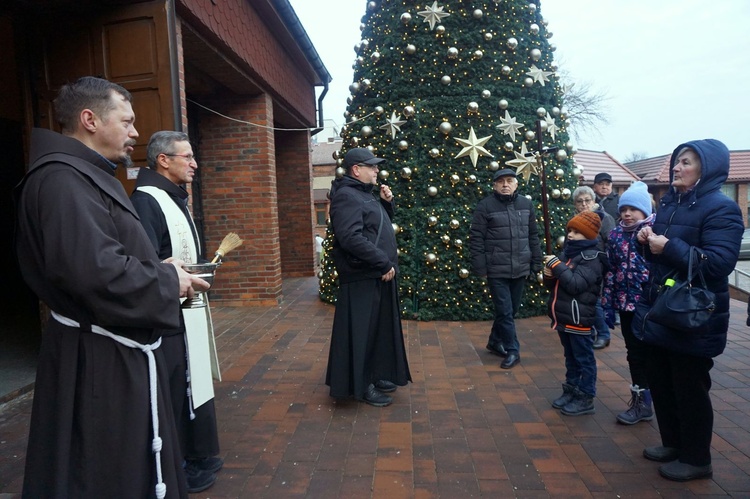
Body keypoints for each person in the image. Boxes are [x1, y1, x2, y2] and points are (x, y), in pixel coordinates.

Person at [15, 76, 209, 498]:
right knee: (104, 474)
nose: (136, 132)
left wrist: (156, 265)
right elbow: (92, 271)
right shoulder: (62, 180)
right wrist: (166, 279)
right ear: (89, 119)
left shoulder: (82, 174)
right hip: (98, 360)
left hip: (112, 352)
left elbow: (101, 253)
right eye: (127, 120)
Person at [634, 139, 743, 482]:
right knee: (662, 381)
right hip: (663, 309)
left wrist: (669, 246)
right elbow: (663, 258)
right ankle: (673, 444)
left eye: (686, 162)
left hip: (694, 316)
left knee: (689, 387)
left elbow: (719, 264)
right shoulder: (671, 204)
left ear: (706, 169)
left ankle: (697, 458)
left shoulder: (721, 208)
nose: (677, 168)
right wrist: (647, 244)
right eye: (677, 162)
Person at [131, 131, 223, 493]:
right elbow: (145, 260)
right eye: (187, 157)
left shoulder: (173, 197)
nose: (195, 163)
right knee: (176, 386)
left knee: (193, 379)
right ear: (163, 160)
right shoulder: (146, 201)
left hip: (187, 310)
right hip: (168, 317)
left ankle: (199, 451)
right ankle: (179, 461)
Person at [325, 148, 411, 407]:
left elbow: (374, 228)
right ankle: (361, 386)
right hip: (363, 276)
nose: (377, 170)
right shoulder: (347, 197)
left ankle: (373, 374)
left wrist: (386, 204)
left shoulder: (364, 194)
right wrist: (382, 262)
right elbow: (351, 238)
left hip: (376, 274)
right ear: (356, 170)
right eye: (371, 167)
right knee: (362, 333)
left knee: (377, 330)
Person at [470, 169, 543, 369]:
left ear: (516, 184)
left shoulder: (526, 205)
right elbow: (476, 238)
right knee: (505, 310)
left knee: (511, 311)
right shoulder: (485, 206)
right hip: (496, 269)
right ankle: (513, 350)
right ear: (494, 185)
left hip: (521, 267)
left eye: (509, 181)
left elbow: (533, 236)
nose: (505, 185)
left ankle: (494, 341)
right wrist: (481, 266)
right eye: (500, 181)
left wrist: (536, 262)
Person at [602, 181, 655, 424]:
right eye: (624, 209)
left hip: (650, 306)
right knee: (633, 352)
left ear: (645, 211)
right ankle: (641, 400)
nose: (627, 213)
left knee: (653, 352)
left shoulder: (654, 232)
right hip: (625, 305)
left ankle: (659, 396)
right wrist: (608, 304)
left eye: (633, 209)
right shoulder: (615, 235)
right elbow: (611, 270)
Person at [544, 210, 606, 416]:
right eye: (570, 230)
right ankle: (571, 389)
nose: (570, 235)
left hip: (579, 318)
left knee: (584, 358)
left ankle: (586, 396)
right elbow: (557, 284)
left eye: (577, 232)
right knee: (570, 357)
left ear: (588, 235)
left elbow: (576, 285)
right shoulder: (569, 254)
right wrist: (549, 276)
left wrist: (556, 265)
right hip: (564, 316)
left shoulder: (592, 258)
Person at [572, 186, 614, 349]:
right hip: (580, 265)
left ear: (594, 201)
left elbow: (611, 242)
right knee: (584, 299)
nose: (584, 204)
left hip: (597, 265)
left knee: (594, 300)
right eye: (579, 201)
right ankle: (589, 332)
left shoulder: (604, 218)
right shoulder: (575, 219)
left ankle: (604, 334)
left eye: (587, 200)